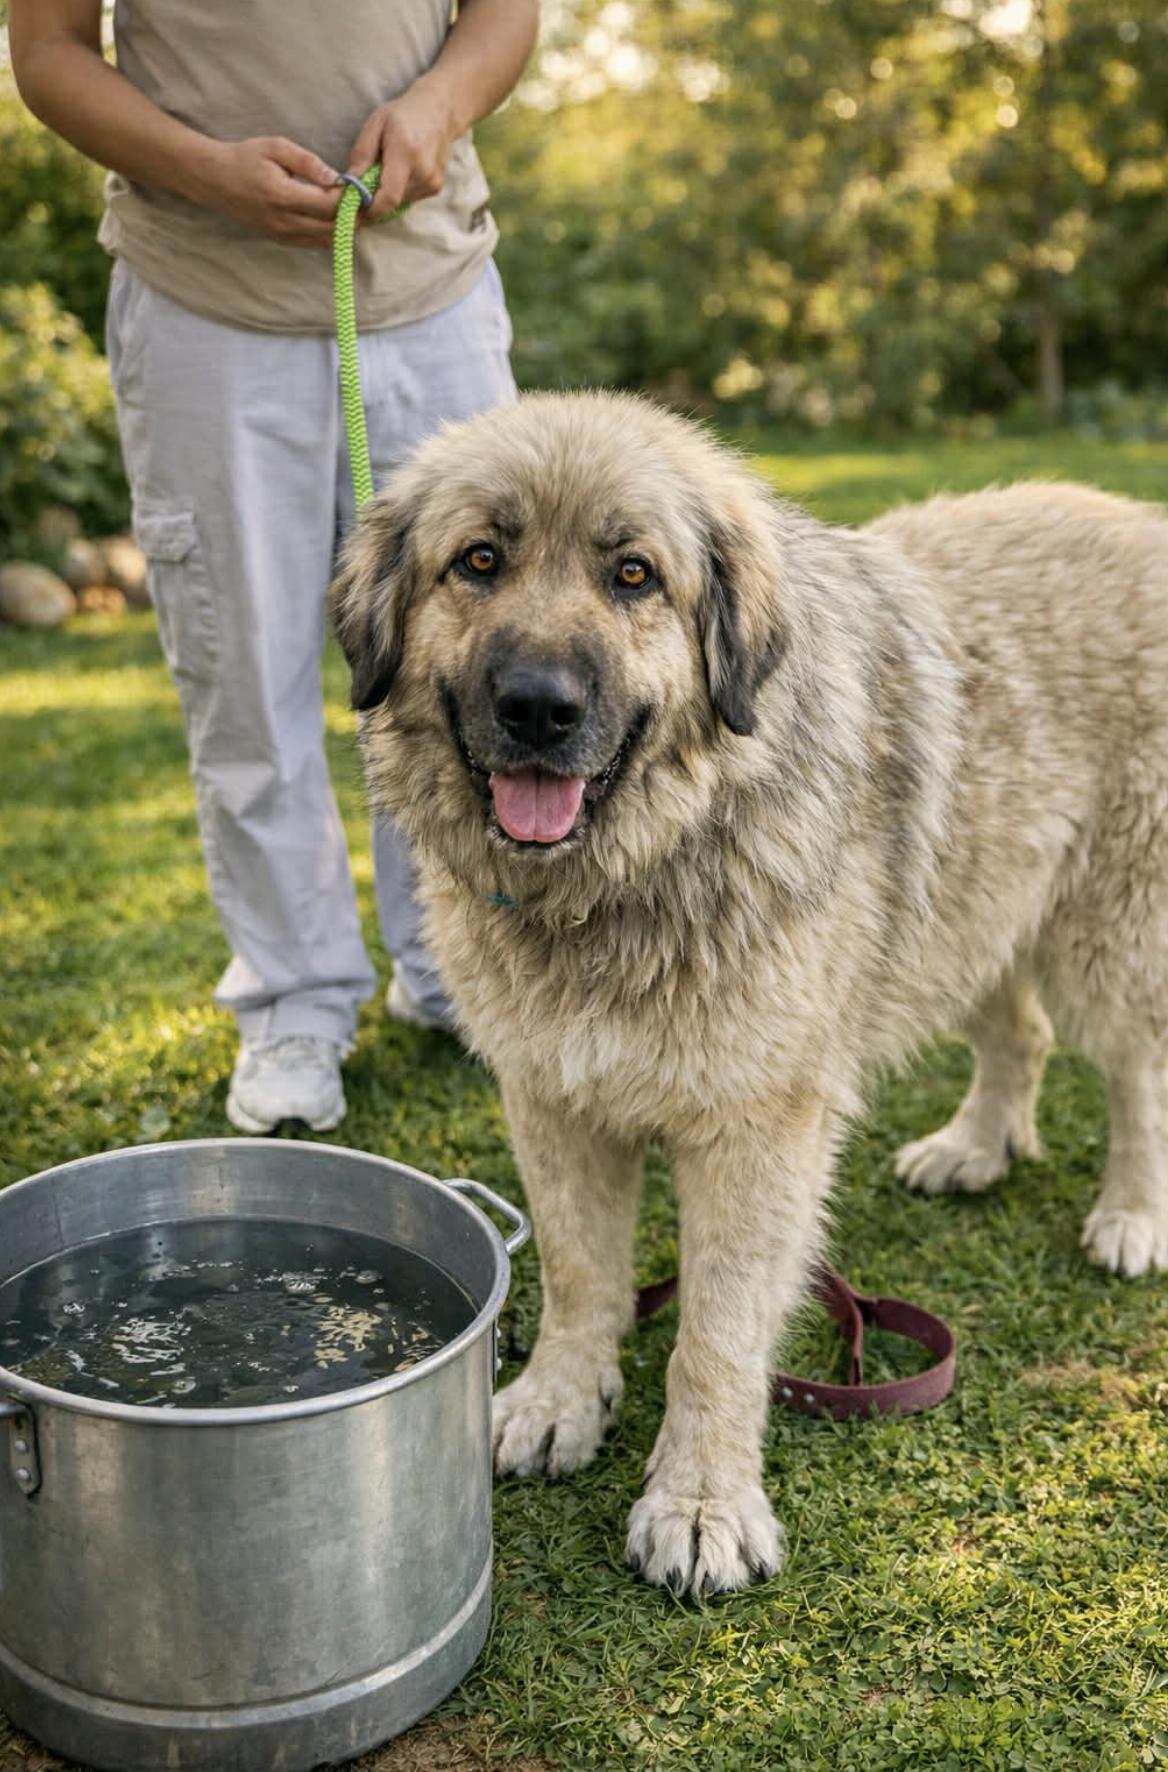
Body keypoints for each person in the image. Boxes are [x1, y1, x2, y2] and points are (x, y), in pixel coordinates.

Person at [10, 0, 538, 1133]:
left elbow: (503, 16)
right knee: (242, 672)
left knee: (472, 662)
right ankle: (294, 999)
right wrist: (206, 171)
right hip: (206, 308)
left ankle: (458, 957)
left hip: (432, 298)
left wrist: (436, 105)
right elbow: (48, 55)